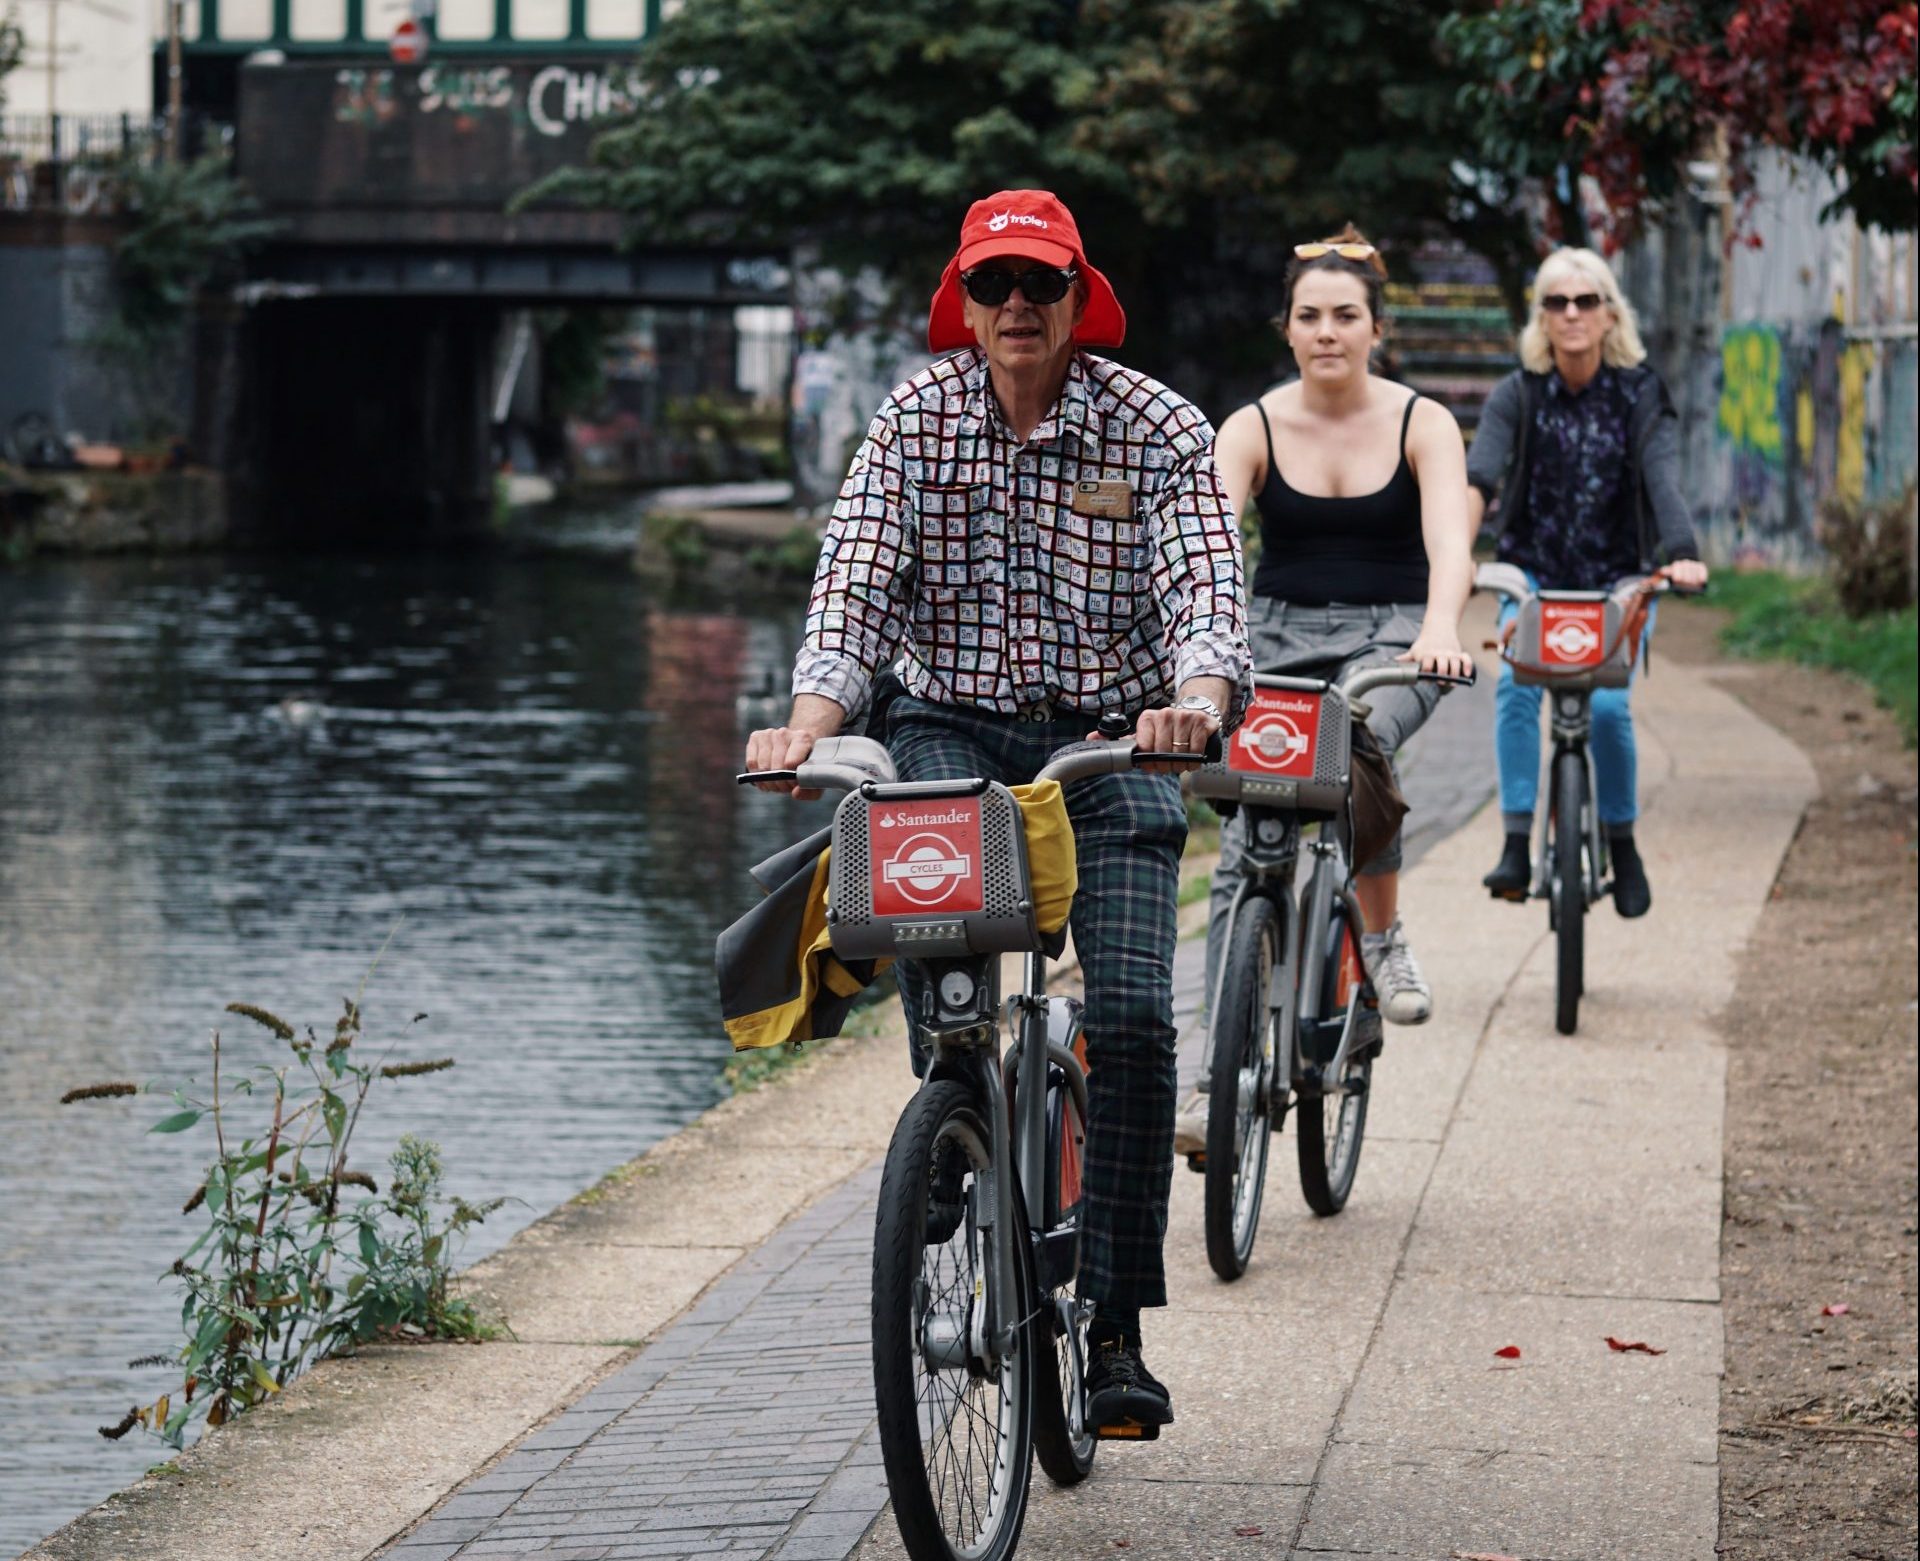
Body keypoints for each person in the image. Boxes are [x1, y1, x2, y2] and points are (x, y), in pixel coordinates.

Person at [743, 189, 1253, 1434]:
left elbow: (1203, 586)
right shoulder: (914, 422)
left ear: (1082, 298)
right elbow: (856, 585)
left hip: (1120, 736)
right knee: (940, 963)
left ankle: (1120, 1327)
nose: (1016, 305)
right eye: (993, 285)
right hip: (950, 732)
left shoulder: (1159, 427)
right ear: (961, 302)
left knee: (1130, 1020)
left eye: (1040, 283)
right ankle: (953, 1123)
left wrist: (1195, 697)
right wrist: (810, 720)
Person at [1176, 228, 1474, 1163]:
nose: (1328, 331)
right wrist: (1194, 655)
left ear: (1375, 327)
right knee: (1246, 837)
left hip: (1393, 634)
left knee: (1354, 742)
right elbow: (1210, 552)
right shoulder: (1251, 427)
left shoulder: (1423, 420)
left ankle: (1378, 939)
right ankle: (1210, 1074)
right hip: (1273, 637)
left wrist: (1438, 630)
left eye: (1346, 315)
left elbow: (1450, 546)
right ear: (1288, 329)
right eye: (1310, 316)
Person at [1467, 247, 1709, 917]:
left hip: (1618, 579)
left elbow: (1662, 476)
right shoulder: (1519, 392)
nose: (1571, 314)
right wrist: (1458, 553)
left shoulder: (1640, 392)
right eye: (1556, 302)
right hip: (1535, 574)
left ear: (1608, 314)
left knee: (1605, 706)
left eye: (1585, 301)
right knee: (1516, 684)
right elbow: (1479, 475)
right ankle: (1517, 841)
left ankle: (1622, 844)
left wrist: (1682, 553)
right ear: (1542, 318)